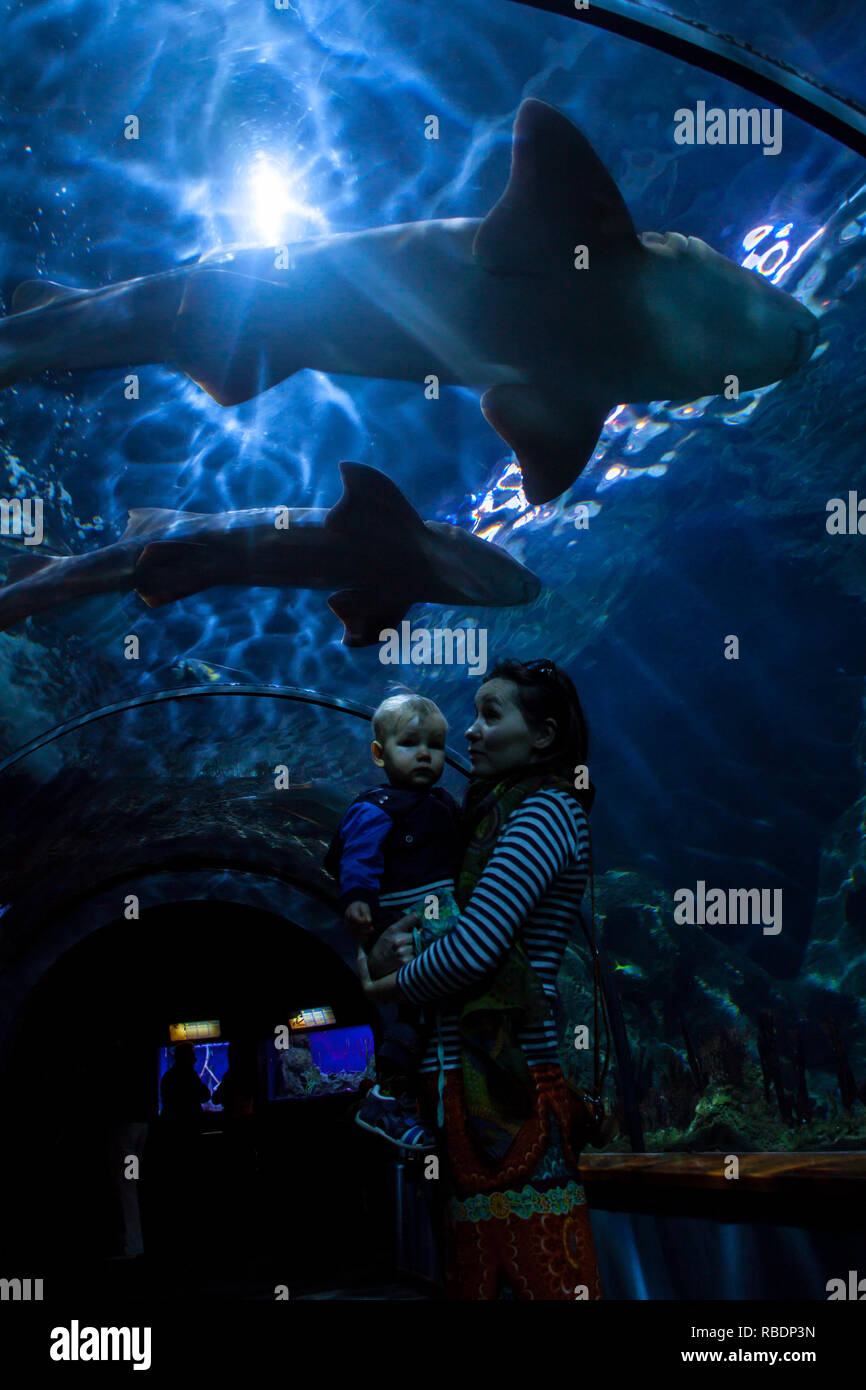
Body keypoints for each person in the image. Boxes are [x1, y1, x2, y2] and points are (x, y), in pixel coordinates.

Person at [357, 658, 604, 1300]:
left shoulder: (544, 812)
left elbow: (474, 950)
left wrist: (385, 987)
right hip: (465, 1088)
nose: (468, 732)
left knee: (539, 1269)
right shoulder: (492, 816)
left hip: (511, 1084)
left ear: (544, 736)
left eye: (490, 715)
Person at [324, 691, 462, 1151]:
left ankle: (403, 1098)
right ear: (379, 754)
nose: (425, 754)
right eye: (410, 743)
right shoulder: (375, 806)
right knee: (419, 1010)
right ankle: (386, 1094)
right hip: (407, 916)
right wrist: (358, 897)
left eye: (436, 744)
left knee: (428, 1013)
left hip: (439, 913)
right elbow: (358, 855)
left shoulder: (443, 803)